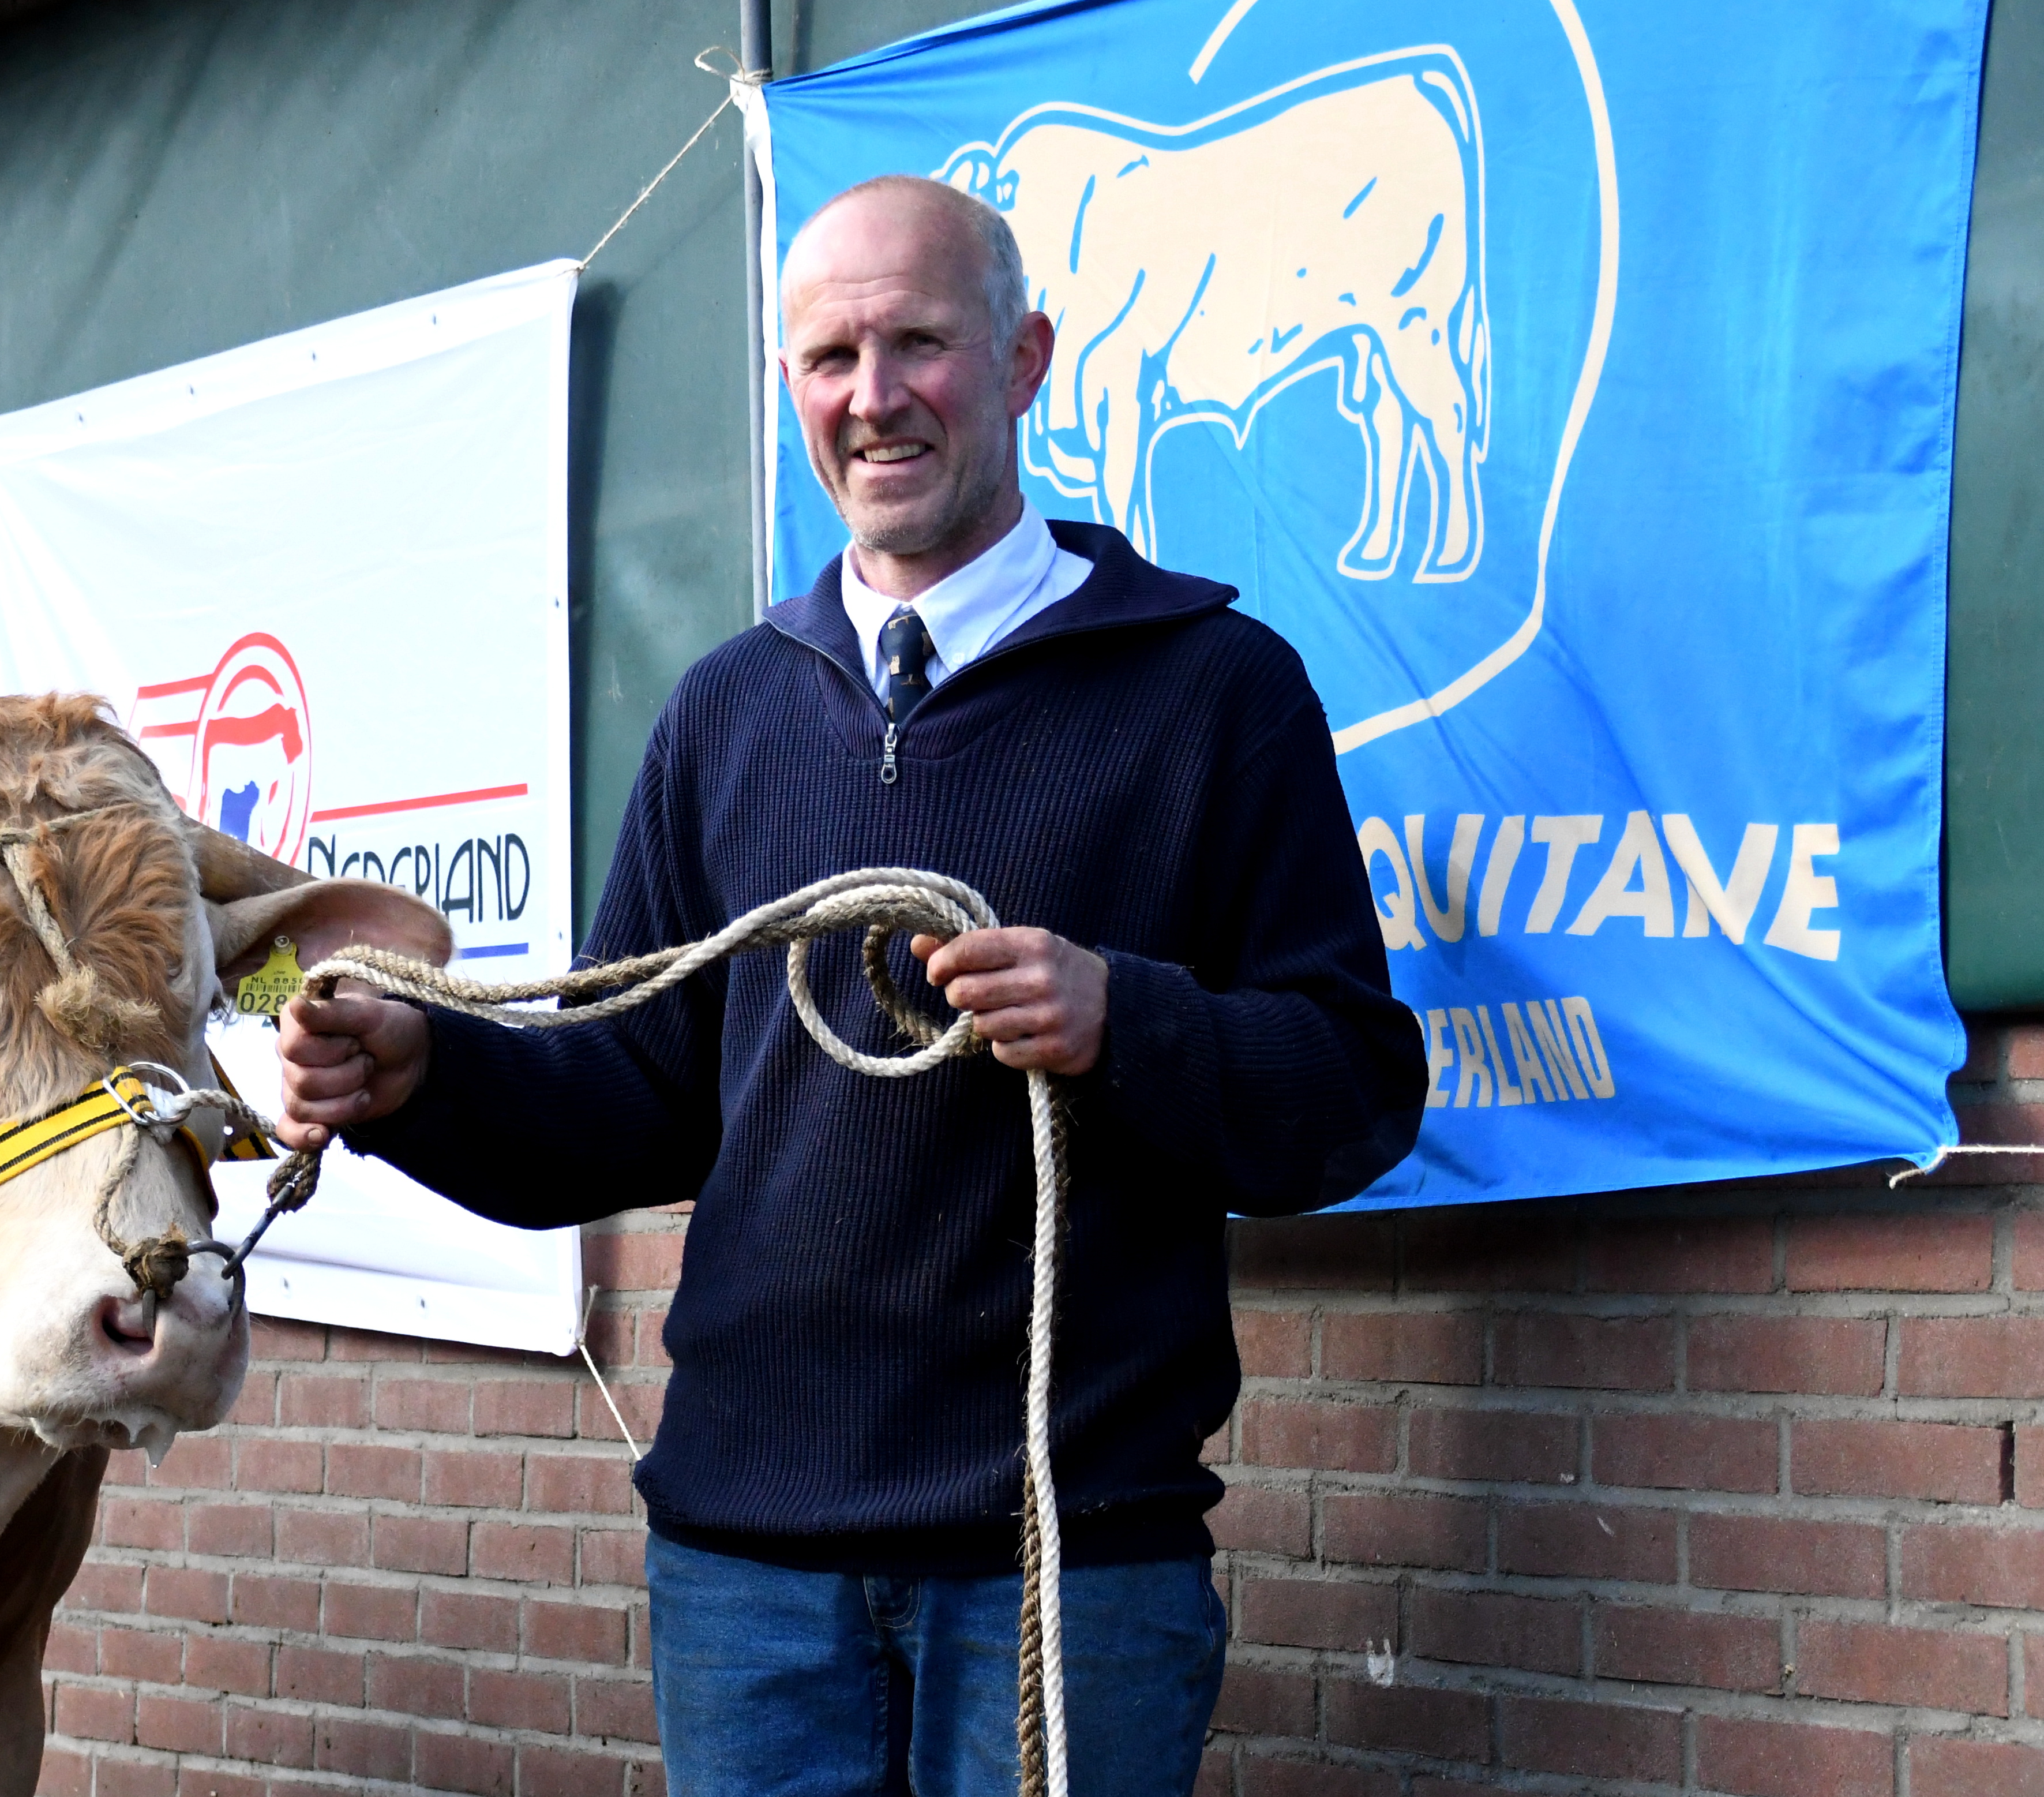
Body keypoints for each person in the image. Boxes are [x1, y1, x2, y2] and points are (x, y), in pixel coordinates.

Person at [274, 174, 1427, 1796]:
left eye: (918, 345)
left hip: (1064, 1567)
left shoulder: (1216, 694)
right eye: (829, 357)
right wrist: (424, 1083)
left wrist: (1124, 1019)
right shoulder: (728, 714)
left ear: (1025, 359)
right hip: (750, 1579)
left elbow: (1354, 1094)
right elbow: (628, 1101)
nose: (872, 398)